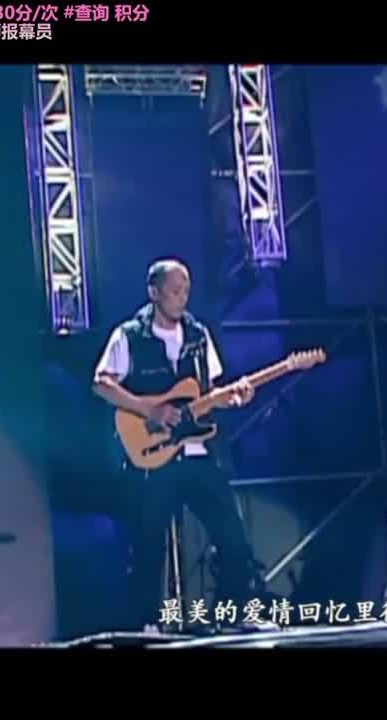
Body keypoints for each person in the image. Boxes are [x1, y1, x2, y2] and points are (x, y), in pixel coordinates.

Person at [93, 258, 270, 632]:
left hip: (197, 453)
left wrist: (234, 398)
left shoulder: (198, 335)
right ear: (154, 292)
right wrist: (149, 410)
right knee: (148, 543)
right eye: (174, 290)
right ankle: (145, 623)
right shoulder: (130, 335)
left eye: (186, 290)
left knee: (231, 534)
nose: (181, 297)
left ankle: (233, 613)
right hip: (154, 458)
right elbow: (102, 383)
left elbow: (210, 392)